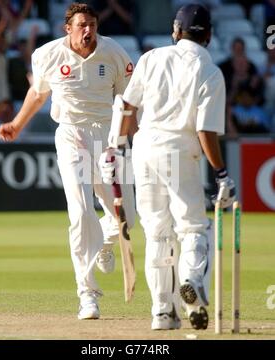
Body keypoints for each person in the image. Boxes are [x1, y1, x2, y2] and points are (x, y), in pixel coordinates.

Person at [99, 4, 236, 330]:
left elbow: (126, 105)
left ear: (176, 31)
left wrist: (113, 148)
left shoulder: (151, 58)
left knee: (158, 232)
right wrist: (222, 173)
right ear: (210, 35)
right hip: (179, 149)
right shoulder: (210, 71)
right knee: (192, 227)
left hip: (144, 148)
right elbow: (205, 131)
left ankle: (163, 312)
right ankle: (191, 278)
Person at [0, 3, 135, 320]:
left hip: (108, 134)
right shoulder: (48, 54)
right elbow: (37, 94)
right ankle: (87, 294)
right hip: (71, 134)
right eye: (82, 25)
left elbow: (129, 102)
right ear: (68, 28)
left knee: (126, 215)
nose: (89, 30)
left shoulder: (114, 52)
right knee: (81, 211)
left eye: (92, 24)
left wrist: (127, 139)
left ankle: (103, 242)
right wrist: (17, 125)